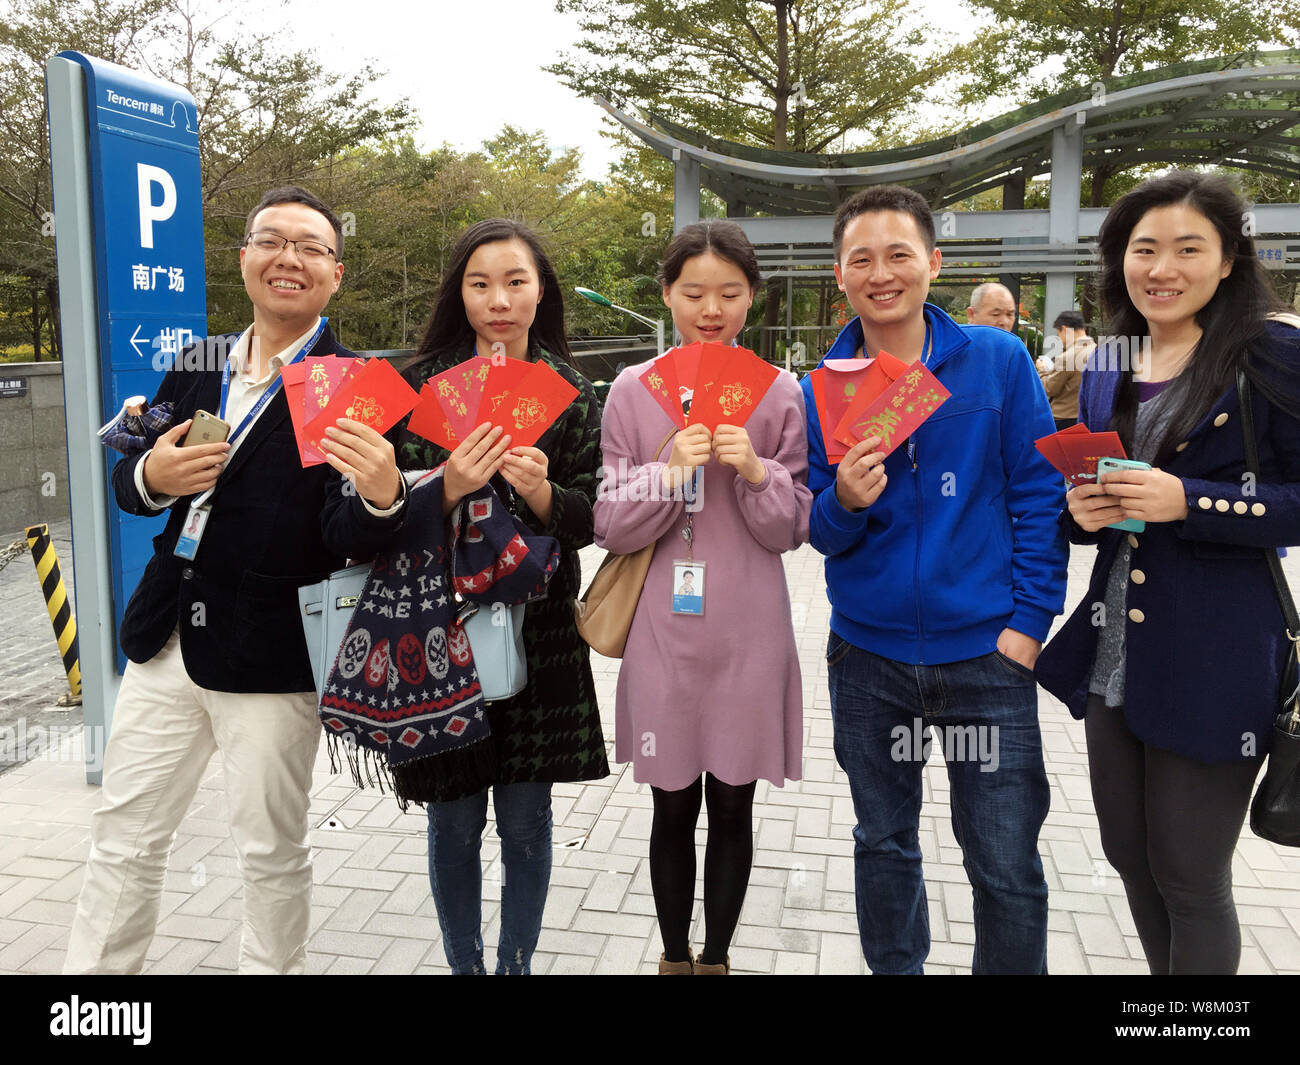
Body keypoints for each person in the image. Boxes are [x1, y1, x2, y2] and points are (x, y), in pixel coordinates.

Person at [65, 186, 355, 974]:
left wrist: (387, 492)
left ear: (334, 272)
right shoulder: (195, 362)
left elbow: (354, 532)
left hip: (271, 653)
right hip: (164, 639)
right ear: (244, 259)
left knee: (268, 851)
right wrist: (153, 475)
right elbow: (130, 480)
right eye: (271, 241)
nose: (286, 258)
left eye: (308, 247)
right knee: (123, 836)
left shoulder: (349, 382)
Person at [320, 218, 607, 975]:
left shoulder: (574, 392)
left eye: (516, 282)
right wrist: (447, 483)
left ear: (540, 290)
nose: (499, 299)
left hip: (537, 636)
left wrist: (543, 492)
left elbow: (592, 516)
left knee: (526, 821)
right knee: (451, 822)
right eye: (480, 284)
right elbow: (371, 513)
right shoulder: (414, 387)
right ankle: (465, 965)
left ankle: (516, 962)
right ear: (461, 293)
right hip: (431, 630)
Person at [1034, 172, 1300, 975]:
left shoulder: (1272, 352)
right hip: (1116, 648)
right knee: (1130, 858)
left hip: (1217, 652)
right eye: (1144, 249)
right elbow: (1100, 483)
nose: (1163, 267)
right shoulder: (1112, 355)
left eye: (1189, 248)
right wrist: (1077, 510)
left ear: (1227, 261)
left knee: (1190, 875)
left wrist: (1193, 500)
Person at [801, 185, 1067, 974]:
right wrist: (844, 500)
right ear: (841, 273)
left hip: (987, 657)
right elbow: (815, 528)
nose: (881, 273)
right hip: (868, 659)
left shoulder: (996, 361)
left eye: (898, 254)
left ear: (933, 262)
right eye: (861, 259)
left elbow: (1038, 490)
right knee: (883, 843)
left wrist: (1028, 623)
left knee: (1005, 862)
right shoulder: (826, 384)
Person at [594, 220, 812, 975]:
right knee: (671, 803)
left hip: (750, 630)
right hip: (663, 629)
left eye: (729, 292)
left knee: (733, 805)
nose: (710, 308)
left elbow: (791, 528)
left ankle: (716, 956)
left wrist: (756, 469)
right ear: (667, 295)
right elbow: (609, 522)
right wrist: (666, 473)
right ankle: (674, 954)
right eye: (693, 292)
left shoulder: (782, 392)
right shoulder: (630, 390)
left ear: (753, 297)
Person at [1039, 310, 1092, 431]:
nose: (1060, 339)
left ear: (1064, 329)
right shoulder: (1097, 351)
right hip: (1084, 418)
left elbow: (1050, 388)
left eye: (1058, 334)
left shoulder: (1068, 357)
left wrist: (1042, 370)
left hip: (1063, 419)